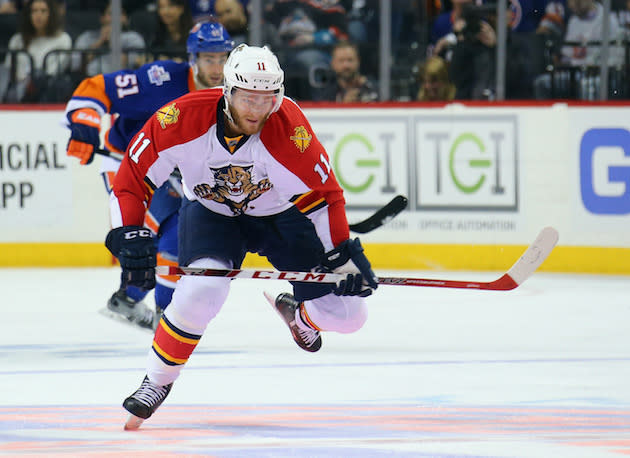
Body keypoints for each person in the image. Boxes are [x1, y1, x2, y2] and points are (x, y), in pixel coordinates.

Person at [107, 43, 378, 428]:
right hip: (212, 214)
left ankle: (300, 315)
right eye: (248, 98)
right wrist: (128, 231)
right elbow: (133, 178)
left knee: (351, 316)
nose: (256, 110)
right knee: (201, 291)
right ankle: (156, 381)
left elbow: (326, 197)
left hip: (280, 216)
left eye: (267, 99)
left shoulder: (291, 129)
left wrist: (342, 256)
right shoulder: (179, 118)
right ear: (228, 91)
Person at [63, 20, 234, 330]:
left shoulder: (230, 93)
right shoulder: (161, 80)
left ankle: (128, 298)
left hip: (169, 171)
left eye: (223, 57)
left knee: (167, 238)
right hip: (128, 165)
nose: (217, 67)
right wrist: (85, 124)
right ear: (192, 58)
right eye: (209, 58)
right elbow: (97, 88)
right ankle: (165, 318)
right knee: (170, 233)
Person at [3, 0, 71, 102]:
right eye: (34, 11)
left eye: (43, 11)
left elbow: (55, 70)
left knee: (44, 78)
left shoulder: (63, 38)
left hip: (48, 87)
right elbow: (10, 68)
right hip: (21, 86)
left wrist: (35, 81)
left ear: (51, 14)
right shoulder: (17, 39)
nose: (38, 15)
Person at [71, 2, 146, 76]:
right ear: (102, 18)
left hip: (120, 83)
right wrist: (100, 42)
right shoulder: (87, 37)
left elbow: (130, 65)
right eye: (111, 13)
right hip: (90, 81)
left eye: (120, 13)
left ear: (125, 19)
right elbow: (77, 67)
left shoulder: (133, 38)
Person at [313, 40, 378, 103]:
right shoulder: (325, 94)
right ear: (333, 64)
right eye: (341, 61)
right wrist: (344, 105)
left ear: (358, 61)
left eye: (350, 60)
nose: (346, 65)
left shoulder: (374, 88)